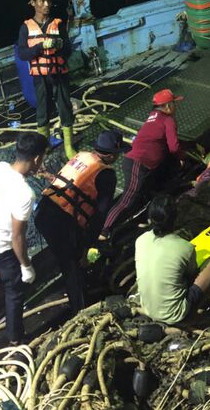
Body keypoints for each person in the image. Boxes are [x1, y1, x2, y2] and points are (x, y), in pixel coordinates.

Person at [35, 130, 127, 315]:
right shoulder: (106, 175)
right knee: (73, 265)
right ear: (111, 155)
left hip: (43, 212)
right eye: (118, 154)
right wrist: (87, 247)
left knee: (65, 255)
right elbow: (100, 215)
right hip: (61, 221)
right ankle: (81, 312)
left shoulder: (81, 155)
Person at [0, 132, 48, 345]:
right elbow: (17, 237)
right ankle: (15, 338)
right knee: (15, 290)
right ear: (36, 159)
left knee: (2, 262)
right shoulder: (25, 194)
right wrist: (26, 265)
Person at [100, 89, 185, 239]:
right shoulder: (168, 120)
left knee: (142, 194)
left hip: (140, 164)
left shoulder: (153, 117)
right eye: (174, 104)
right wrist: (181, 158)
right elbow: (174, 147)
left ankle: (146, 217)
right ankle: (104, 230)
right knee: (128, 199)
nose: (175, 107)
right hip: (138, 164)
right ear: (167, 106)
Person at [134, 195, 210, 325]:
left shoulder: (141, 240)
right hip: (174, 316)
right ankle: (191, 316)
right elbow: (191, 275)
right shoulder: (185, 247)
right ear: (175, 218)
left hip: (148, 308)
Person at [16, 0, 76, 159]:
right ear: (34, 3)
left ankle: (68, 146)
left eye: (48, 0)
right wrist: (40, 46)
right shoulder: (25, 28)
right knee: (43, 111)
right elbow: (22, 54)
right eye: (42, 1)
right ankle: (45, 145)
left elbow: (68, 50)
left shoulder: (58, 24)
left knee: (65, 108)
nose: (47, 4)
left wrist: (59, 46)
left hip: (59, 74)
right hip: (40, 77)